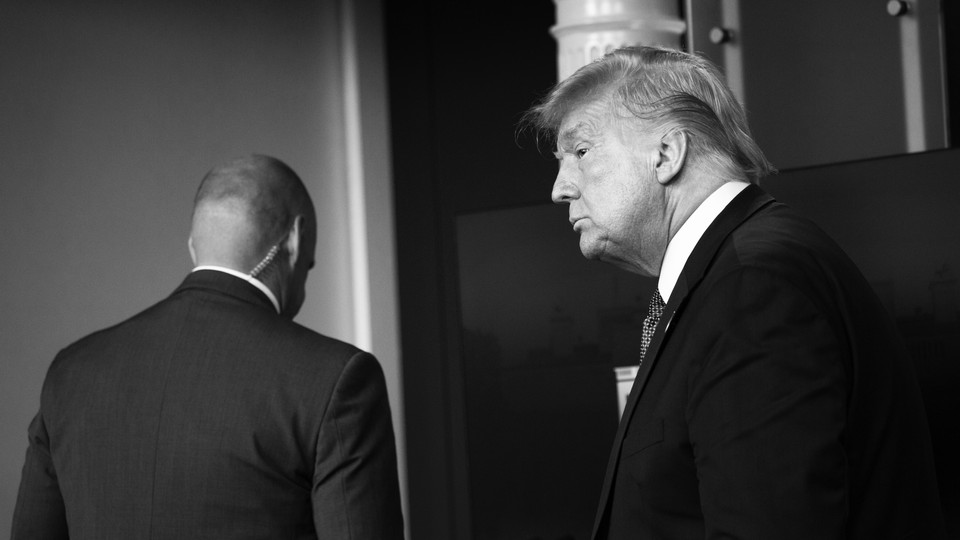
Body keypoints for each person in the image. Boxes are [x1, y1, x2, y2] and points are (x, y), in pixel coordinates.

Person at [523, 46, 947, 539]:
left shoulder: (752, 288)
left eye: (580, 152)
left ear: (666, 154)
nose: (560, 188)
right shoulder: (735, 274)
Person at [12, 155, 405, 539]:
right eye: (310, 266)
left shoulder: (72, 372)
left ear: (192, 245)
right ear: (297, 239)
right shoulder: (338, 379)